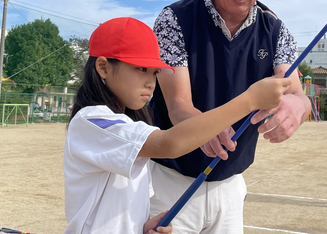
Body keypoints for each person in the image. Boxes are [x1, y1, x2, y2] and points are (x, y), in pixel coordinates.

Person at [149, 0, 312, 233]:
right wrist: (204, 128)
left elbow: (297, 93)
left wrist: (299, 105)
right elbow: (179, 106)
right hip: (168, 182)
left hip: (231, 186)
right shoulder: (175, 20)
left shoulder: (276, 29)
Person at [63, 17, 292, 234]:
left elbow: (114, 212)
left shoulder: (128, 126)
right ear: (103, 67)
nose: (150, 83)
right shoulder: (91, 121)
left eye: (154, 73)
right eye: (140, 69)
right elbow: (169, 143)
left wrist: (142, 228)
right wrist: (249, 100)